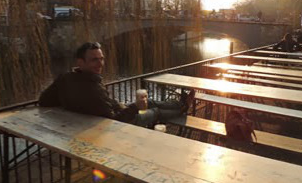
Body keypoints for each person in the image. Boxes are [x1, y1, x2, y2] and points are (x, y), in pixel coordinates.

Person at [39, 42, 194, 123]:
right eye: (94, 60)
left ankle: (179, 103)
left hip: (114, 111)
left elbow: (43, 100)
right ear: (80, 63)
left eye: (101, 59)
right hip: (123, 123)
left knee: (150, 101)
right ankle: (182, 109)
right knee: (154, 112)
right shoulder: (93, 91)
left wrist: (68, 104)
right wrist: (134, 107)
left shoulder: (65, 78)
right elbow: (115, 121)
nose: (100, 64)